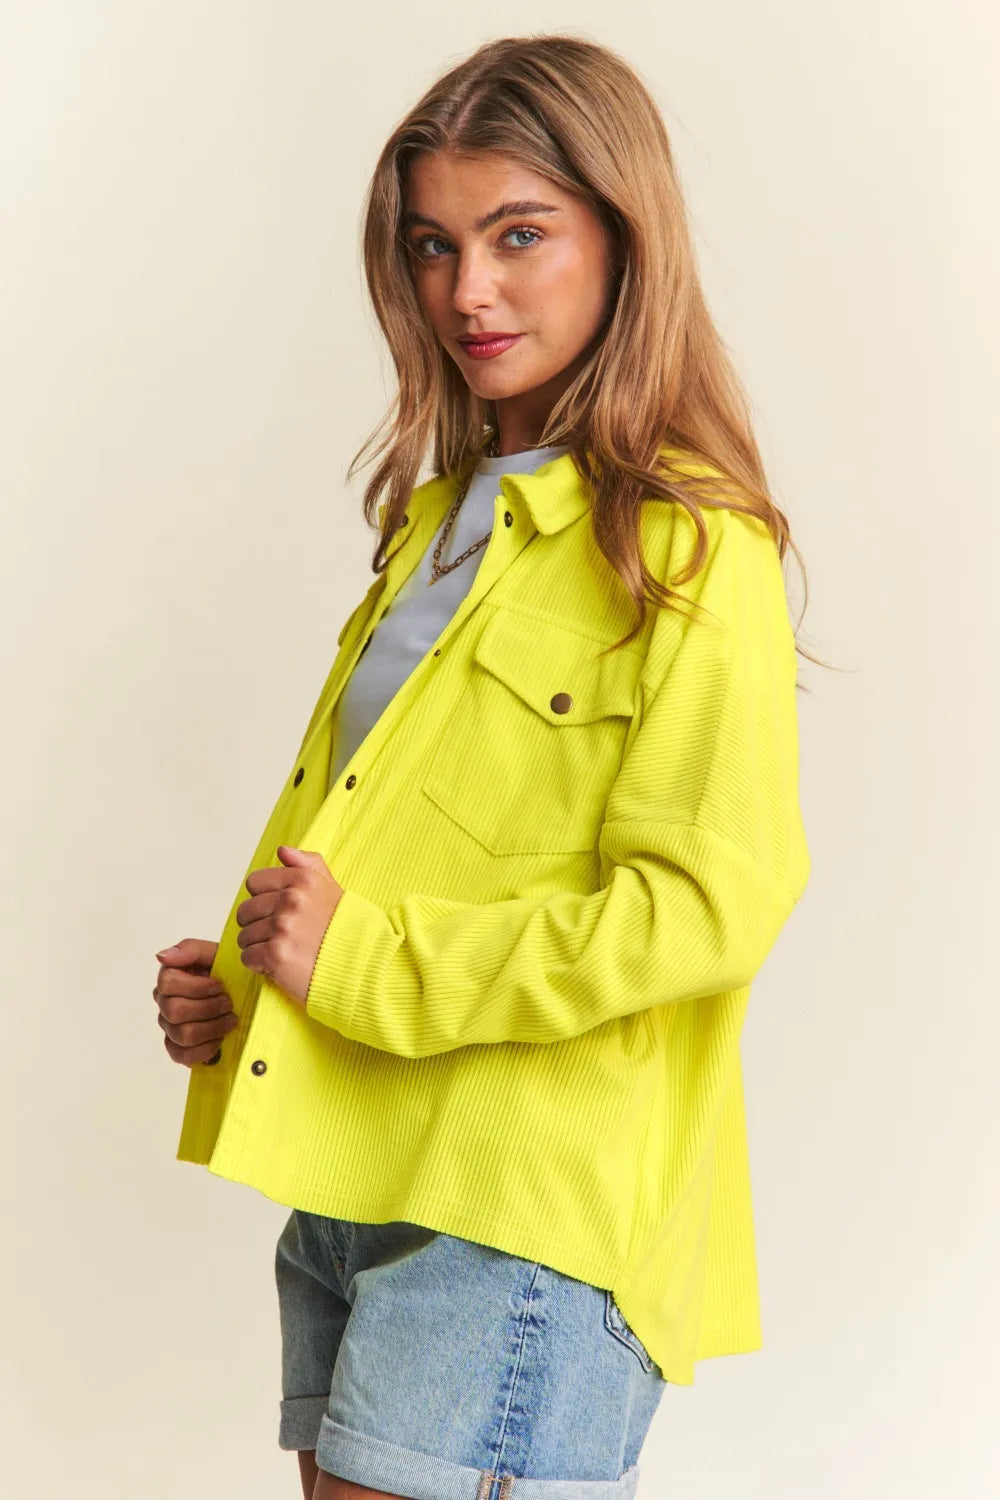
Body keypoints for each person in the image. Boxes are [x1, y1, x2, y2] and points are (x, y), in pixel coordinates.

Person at [153, 33, 814, 1500]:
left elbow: (712, 906)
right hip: (354, 1167)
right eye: (434, 244)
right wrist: (254, 986)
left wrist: (366, 962)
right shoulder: (437, 524)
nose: (468, 291)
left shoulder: (692, 546)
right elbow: (419, 832)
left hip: (519, 1205)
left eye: (520, 236)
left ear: (625, 241)